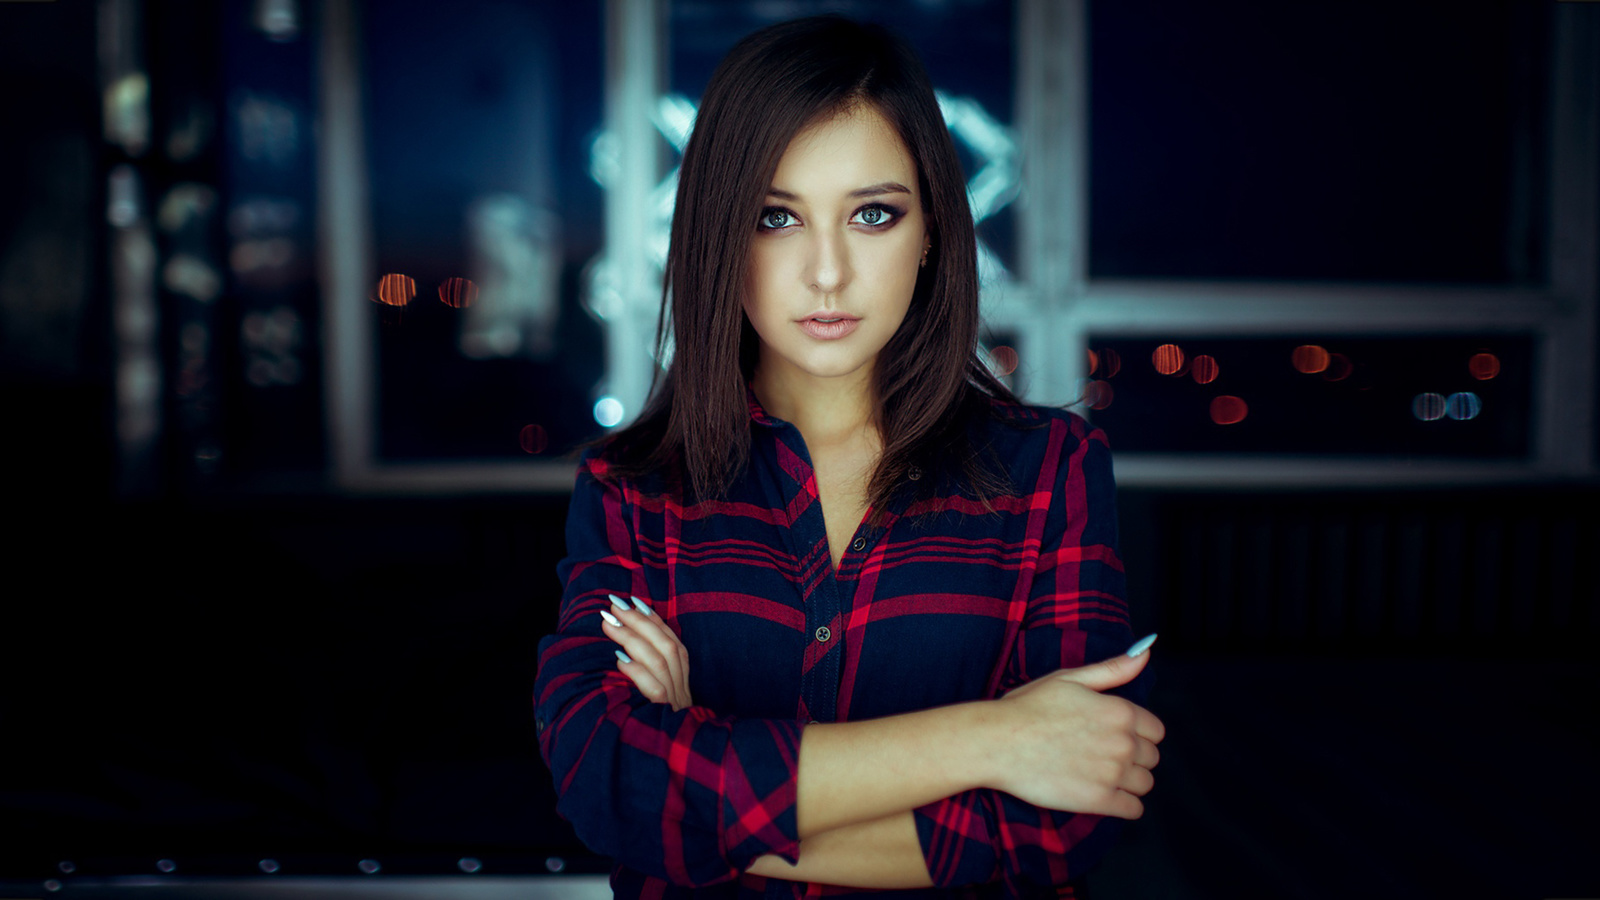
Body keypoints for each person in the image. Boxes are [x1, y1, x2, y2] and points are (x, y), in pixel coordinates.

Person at [534, 16, 1164, 898]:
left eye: (872, 214)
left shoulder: (1048, 468)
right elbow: (602, 778)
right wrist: (995, 739)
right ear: (720, 234)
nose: (826, 272)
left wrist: (690, 806)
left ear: (935, 229)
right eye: (775, 216)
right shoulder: (632, 491)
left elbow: (1063, 825)